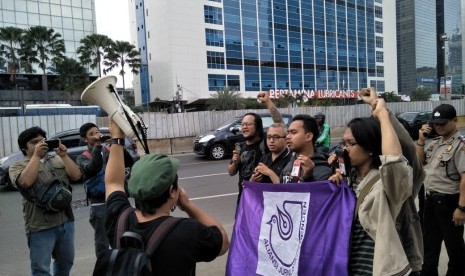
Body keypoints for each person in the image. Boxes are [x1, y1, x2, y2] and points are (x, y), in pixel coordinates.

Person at [104, 119, 229, 275]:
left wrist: (116, 137)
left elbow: (113, 183)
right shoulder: (188, 231)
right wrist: (188, 205)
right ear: (172, 191)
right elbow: (223, 242)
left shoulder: (119, 217)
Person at [329, 98, 414, 275]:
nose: (345, 149)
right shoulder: (347, 181)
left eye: (351, 144)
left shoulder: (386, 184)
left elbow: (394, 162)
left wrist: (383, 115)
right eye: (343, 144)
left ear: (370, 148)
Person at [9, 126, 82, 276]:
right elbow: (25, 182)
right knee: (41, 269)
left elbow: (76, 176)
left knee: (65, 264)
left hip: (65, 221)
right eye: (33, 142)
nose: (39, 144)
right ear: (24, 147)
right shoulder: (17, 165)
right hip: (40, 225)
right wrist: (36, 157)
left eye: (41, 141)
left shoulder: (57, 159)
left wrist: (65, 156)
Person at [416, 104, 465, 276]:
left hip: (450, 204)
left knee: (455, 249)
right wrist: (421, 141)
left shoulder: (460, 146)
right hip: (430, 202)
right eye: (436, 124)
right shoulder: (435, 143)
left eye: (443, 123)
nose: (439, 127)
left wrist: (461, 208)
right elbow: (420, 163)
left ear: (455, 121)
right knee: (429, 247)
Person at [228, 92, 283, 203]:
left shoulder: (266, 143)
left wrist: (268, 101)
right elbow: (231, 172)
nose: (244, 127)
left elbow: (279, 123)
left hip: (263, 199)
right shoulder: (240, 146)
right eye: (242, 124)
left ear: (257, 126)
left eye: (248, 124)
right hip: (245, 196)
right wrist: (235, 162)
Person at [76, 123, 110, 257]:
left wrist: (117, 144)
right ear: (85, 139)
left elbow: (128, 162)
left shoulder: (108, 150)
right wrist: (97, 147)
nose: (96, 135)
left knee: (120, 236)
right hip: (99, 203)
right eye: (92, 134)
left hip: (115, 199)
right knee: (102, 241)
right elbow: (92, 169)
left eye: (97, 132)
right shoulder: (82, 157)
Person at [279, 114, 332, 183]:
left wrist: (308, 177)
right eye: (288, 132)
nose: (288, 137)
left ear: (309, 136)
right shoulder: (288, 164)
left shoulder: (324, 171)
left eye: (293, 132)